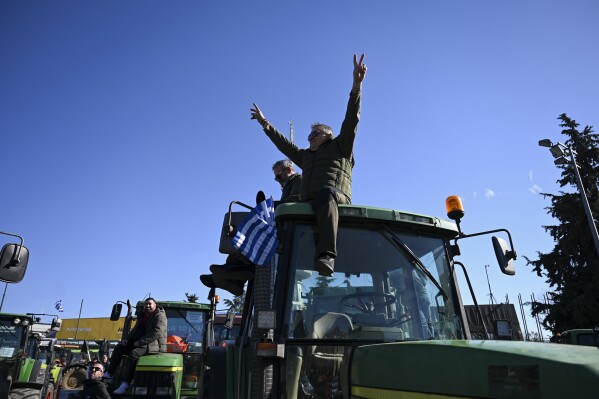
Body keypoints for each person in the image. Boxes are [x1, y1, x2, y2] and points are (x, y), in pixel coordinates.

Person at [250, 54, 367, 276]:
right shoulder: (304, 156)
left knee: (325, 195)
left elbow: (352, 119)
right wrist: (265, 124)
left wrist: (357, 85)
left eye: (315, 133)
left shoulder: (341, 147)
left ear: (328, 135)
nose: (310, 137)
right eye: (309, 134)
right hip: (308, 201)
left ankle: (327, 255)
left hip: (334, 195)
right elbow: (283, 144)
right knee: (278, 216)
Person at [104, 298, 167, 394]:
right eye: (146, 304)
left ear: (155, 305)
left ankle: (126, 383)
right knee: (119, 348)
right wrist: (127, 339)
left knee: (134, 353)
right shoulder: (142, 315)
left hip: (153, 344)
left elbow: (157, 332)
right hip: (139, 343)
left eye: (150, 304)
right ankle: (109, 375)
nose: (147, 306)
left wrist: (140, 342)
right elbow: (135, 330)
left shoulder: (160, 316)